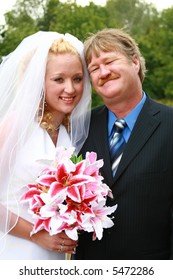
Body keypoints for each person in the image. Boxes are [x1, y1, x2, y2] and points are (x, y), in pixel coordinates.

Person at [75, 28, 173, 260]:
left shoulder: (170, 124)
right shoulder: (79, 129)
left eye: (109, 61)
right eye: (94, 69)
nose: (104, 72)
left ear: (135, 62)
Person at [0, 31, 91, 259]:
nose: (70, 89)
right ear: (39, 81)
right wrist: (34, 234)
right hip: (15, 248)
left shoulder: (67, 134)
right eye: (59, 79)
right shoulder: (17, 124)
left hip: (53, 255)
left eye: (77, 78)